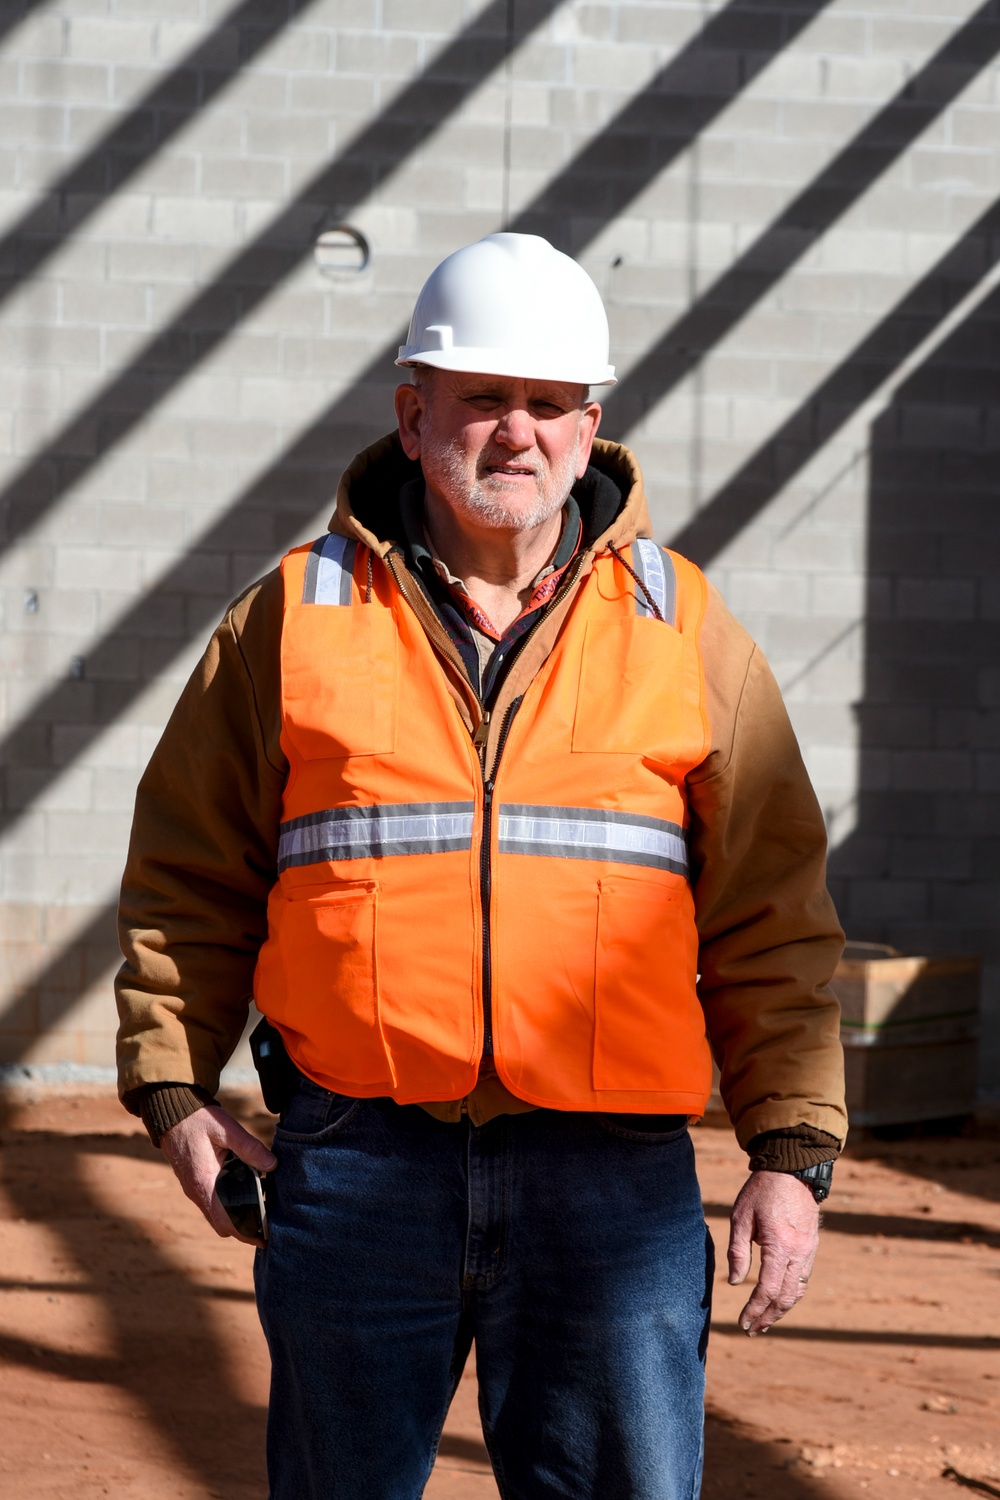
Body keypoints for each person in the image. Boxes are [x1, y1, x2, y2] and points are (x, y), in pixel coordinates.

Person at [116, 232, 846, 1500]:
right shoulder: (296, 617)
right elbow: (191, 874)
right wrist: (173, 1094)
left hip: (609, 1183)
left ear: (589, 425)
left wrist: (788, 1149)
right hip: (357, 1168)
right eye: (481, 400)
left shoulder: (684, 629)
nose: (516, 432)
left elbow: (769, 915)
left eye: (547, 403)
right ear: (413, 417)